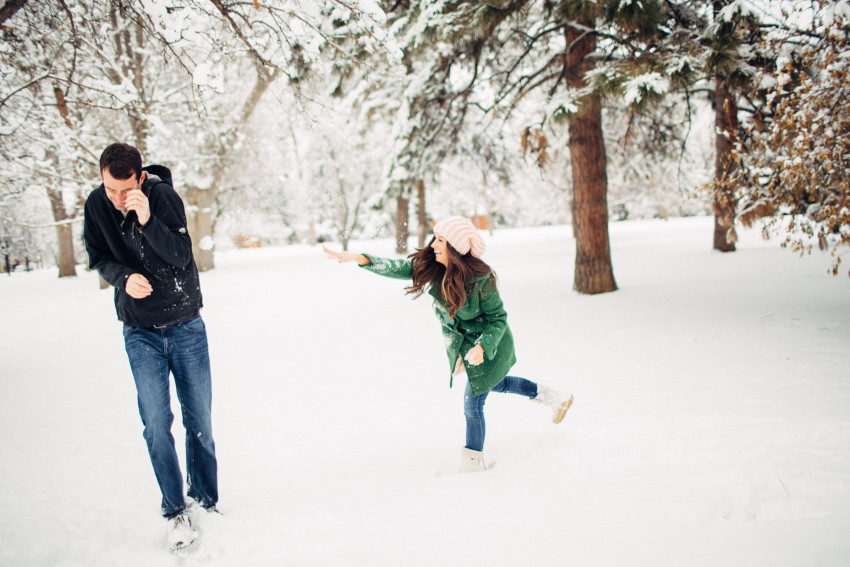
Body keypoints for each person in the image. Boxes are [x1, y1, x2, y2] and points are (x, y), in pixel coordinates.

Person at [323, 216, 573, 472]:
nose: (433, 245)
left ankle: (473, 464)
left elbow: (497, 318)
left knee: (473, 404)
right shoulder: (436, 268)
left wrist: (483, 347)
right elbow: (402, 267)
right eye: (435, 238)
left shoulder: (481, 278)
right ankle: (553, 397)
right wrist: (361, 259)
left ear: (455, 247)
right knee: (499, 384)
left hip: (490, 347)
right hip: (470, 348)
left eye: (441, 240)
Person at [83, 143, 218, 551]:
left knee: (200, 423)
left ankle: (207, 501)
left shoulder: (161, 197)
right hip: (140, 331)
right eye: (110, 189)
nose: (117, 198)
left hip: (185, 326)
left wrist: (145, 219)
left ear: (140, 179)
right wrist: (123, 277)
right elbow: (98, 255)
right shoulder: (97, 204)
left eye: (125, 190)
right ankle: (175, 508)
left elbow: (180, 257)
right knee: (156, 424)